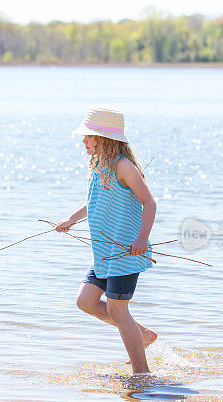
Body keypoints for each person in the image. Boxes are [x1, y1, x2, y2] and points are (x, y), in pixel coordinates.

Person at [55, 105, 157, 374]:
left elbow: (149, 202)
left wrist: (142, 238)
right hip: (104, 254)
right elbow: (94, 202)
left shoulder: (124, 166)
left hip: (126, 253)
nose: (84, 141)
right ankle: (142, 335)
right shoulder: (98, 166)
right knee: (85, 301)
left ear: (103, 138)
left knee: (117, 311)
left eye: (88, 136)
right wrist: (71, 219)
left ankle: (142, 374)